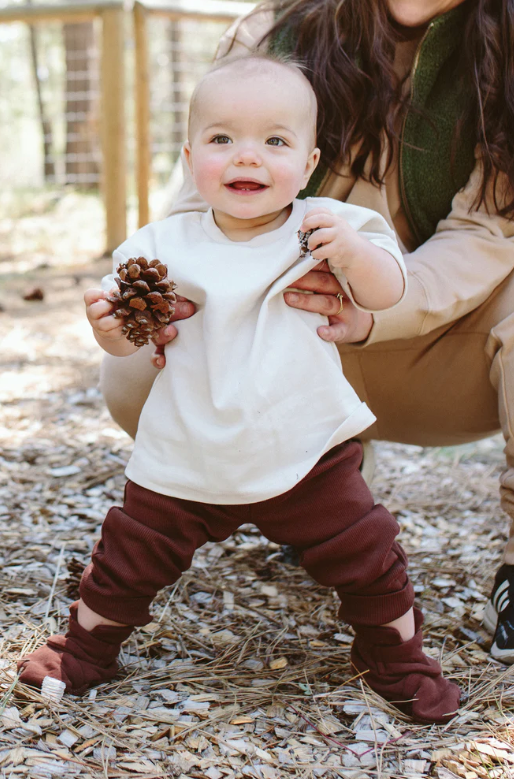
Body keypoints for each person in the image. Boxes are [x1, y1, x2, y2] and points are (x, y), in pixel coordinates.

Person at [17, 55, 459, 724]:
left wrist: (354, 254)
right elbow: (127, 336)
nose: (245, 157)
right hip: (187, 450)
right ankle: (85, 647)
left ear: (309, 161)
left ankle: (396, 657)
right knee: (126, 558)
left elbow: (386, 289)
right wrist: (109, 327)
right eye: (222, 139)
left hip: (305, 446)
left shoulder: (324, 227)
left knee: (370, 555)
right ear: (192, 155)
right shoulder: (161, 244)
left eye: (274, 141)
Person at [99, 0, 514, 663]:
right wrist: (157, 304)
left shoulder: (506, 42)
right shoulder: (274, 30)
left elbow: (488, 231)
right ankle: (310, 481)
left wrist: (379, 309)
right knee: (131, 375)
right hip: (288, 340)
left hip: (435, 340)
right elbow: (196, 202)